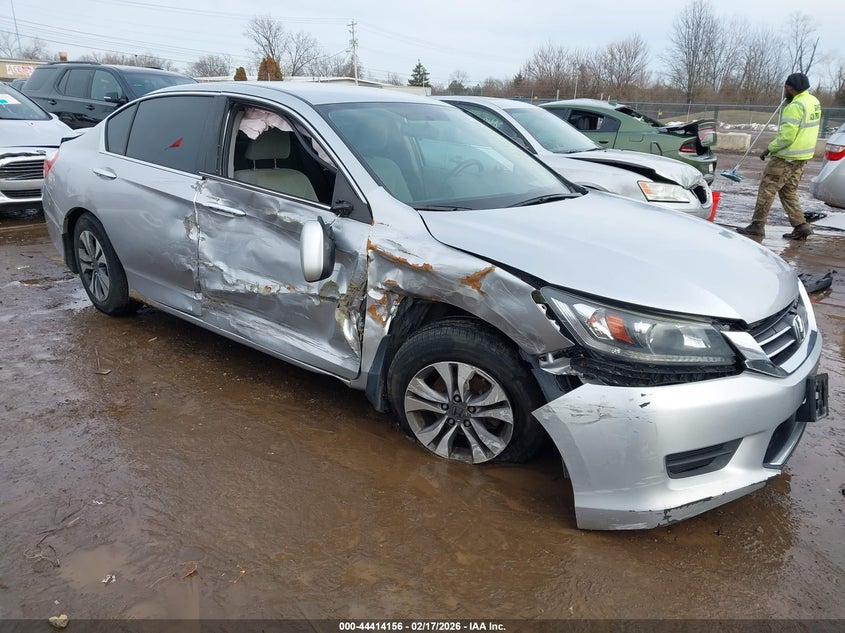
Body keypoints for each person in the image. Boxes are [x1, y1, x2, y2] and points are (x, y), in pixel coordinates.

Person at [737, 73, 822, 240]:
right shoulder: (814, 102)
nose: (785, 91)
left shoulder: (794, 106)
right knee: (788, 191)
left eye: (785, 88)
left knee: (767, 189)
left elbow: (787, 137)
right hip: (802, 157)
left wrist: (769, 148)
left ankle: (757, 225)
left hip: (785, 157)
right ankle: (801, 225)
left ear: (790, 87)